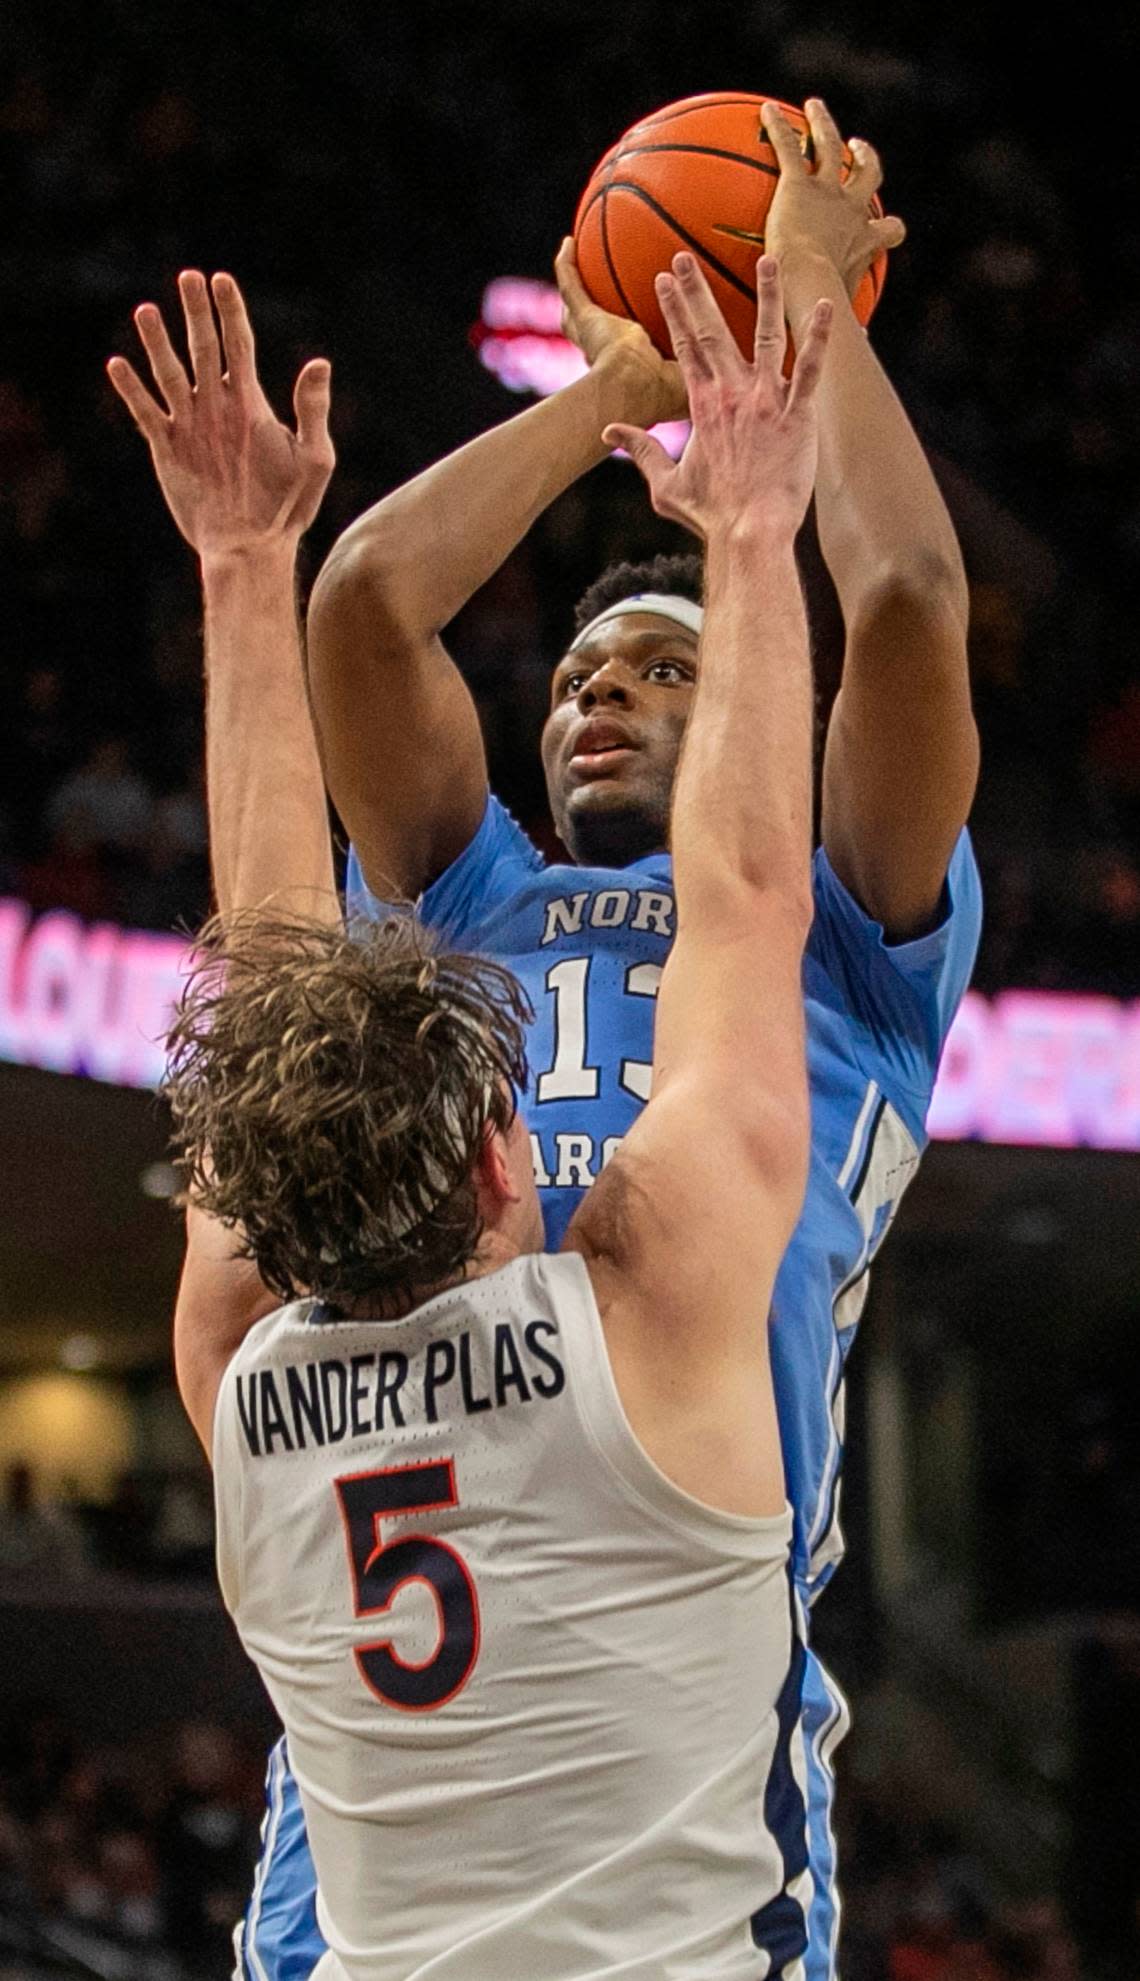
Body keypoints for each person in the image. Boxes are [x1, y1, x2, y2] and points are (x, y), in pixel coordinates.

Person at [108, 97, 981, 1981]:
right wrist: (765, 409)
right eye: (580, 672)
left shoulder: (242, 1361)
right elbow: (387, 637)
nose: (607, 696)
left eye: (669, 667)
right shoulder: (648, 1206)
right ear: (503, 1155)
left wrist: (246, 568)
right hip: (642, 1525)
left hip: (419, 1652)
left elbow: (902, 612)